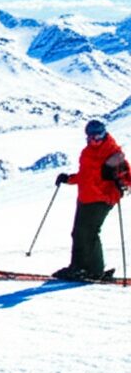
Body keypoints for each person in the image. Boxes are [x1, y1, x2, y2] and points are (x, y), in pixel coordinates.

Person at [52, 120, 130, 281]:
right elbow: (85, 176)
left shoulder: (113, 154)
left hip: (102, 199)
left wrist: (118, 180)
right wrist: (68, 179)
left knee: (90, 233)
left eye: (99, 135)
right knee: (78, 233)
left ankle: (94, 271)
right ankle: (78, 268)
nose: (95, 140)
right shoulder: (86, 152)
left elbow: (128, 178)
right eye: (91, 136)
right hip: (85, 198)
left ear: (105, 134)